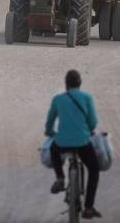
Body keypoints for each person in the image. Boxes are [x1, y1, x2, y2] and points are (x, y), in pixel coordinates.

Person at [45, 70, 102, 219]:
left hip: (62, 142)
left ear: (66, 85)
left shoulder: (58, 99)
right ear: (80, 83)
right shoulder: (87, 97)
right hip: (83, 142)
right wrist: (87, 131)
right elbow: (93, 122)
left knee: (53, 148)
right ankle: (88, 207)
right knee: (94, 169)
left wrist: (50, 133)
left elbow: (50, 121)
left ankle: (60, 178)